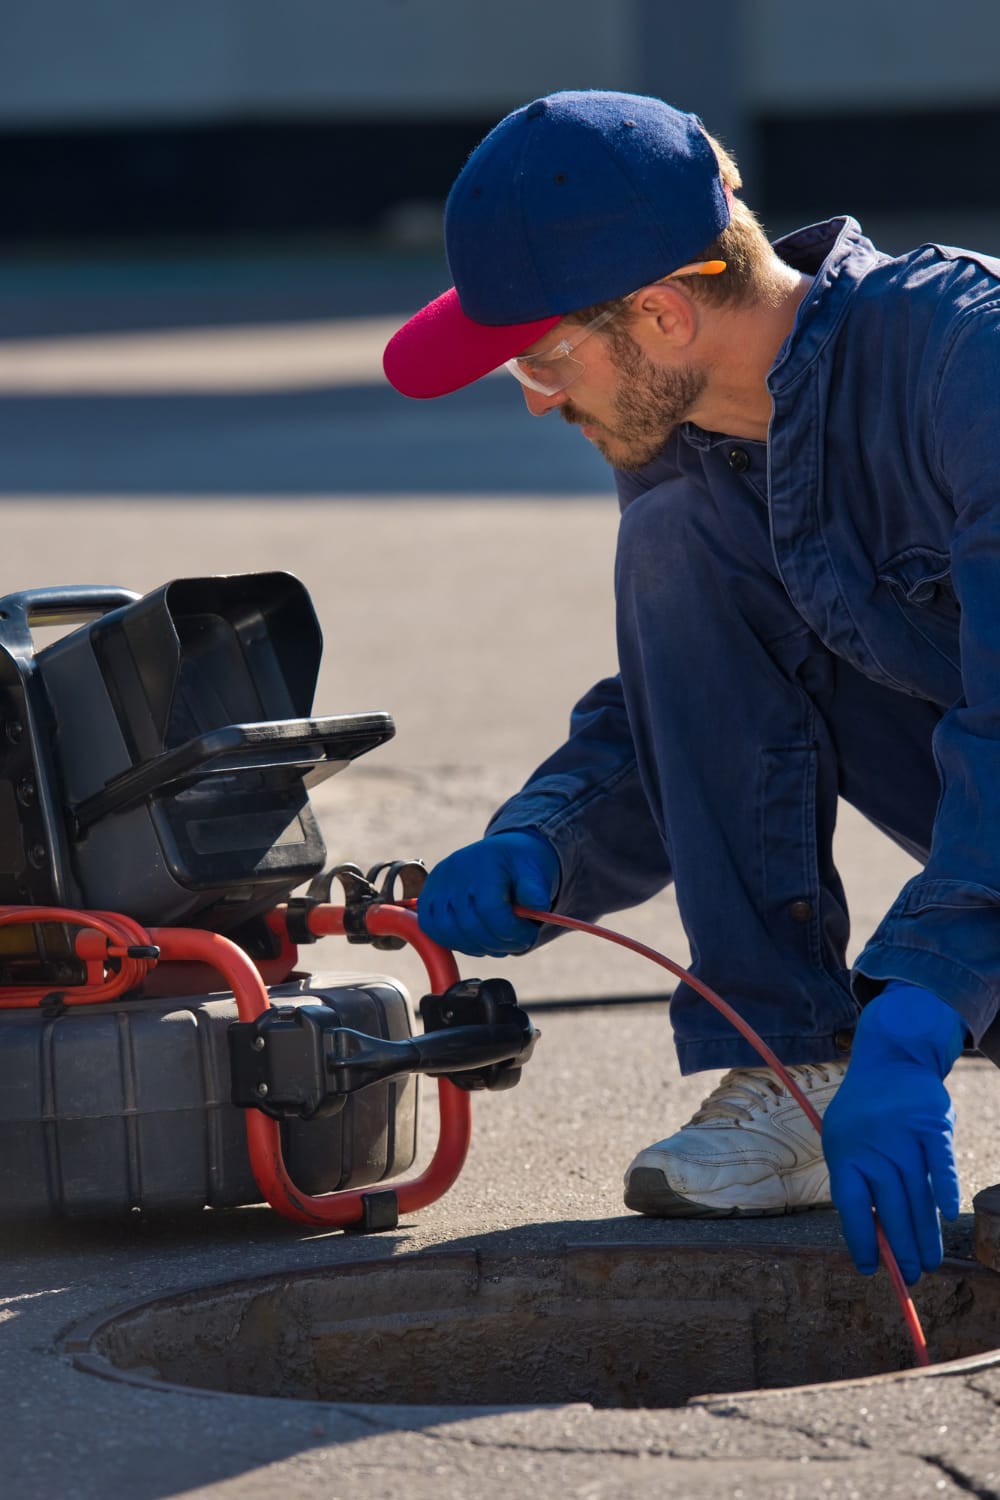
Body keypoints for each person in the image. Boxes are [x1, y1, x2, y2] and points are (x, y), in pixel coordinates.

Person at [382, 89, 999, 1286]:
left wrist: (923, 1002)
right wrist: (546, 845)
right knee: (672, 543)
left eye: (542, 357)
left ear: (662, 312)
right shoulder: (695, 442)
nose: (539, 397)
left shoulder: (969, 368)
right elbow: (702, 699)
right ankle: (793, 1072)